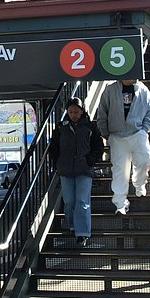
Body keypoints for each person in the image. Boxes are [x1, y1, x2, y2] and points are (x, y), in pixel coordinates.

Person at [95, 77, 150, 216]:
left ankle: (139, 182)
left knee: (145, 159)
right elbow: (102, 112)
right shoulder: (110, 90)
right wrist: (106, 133)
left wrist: (144, 129)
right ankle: (120, 204)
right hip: (116, 135)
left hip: (137, 132)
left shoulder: (143, 90)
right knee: (119, 170)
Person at [49, 98, 104, 247]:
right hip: (65, 170)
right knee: (69, 201)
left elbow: (98, 147)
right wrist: (57, 164)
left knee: (82, 200)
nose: (74, 114)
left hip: (84, 170)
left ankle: (83, 233)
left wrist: (89, 161)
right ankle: (73, 224)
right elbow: (53, 148)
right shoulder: (61, 128)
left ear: (82, 111)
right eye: (71, 112)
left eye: (77, 111)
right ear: (67, 112)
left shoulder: (91, 127)